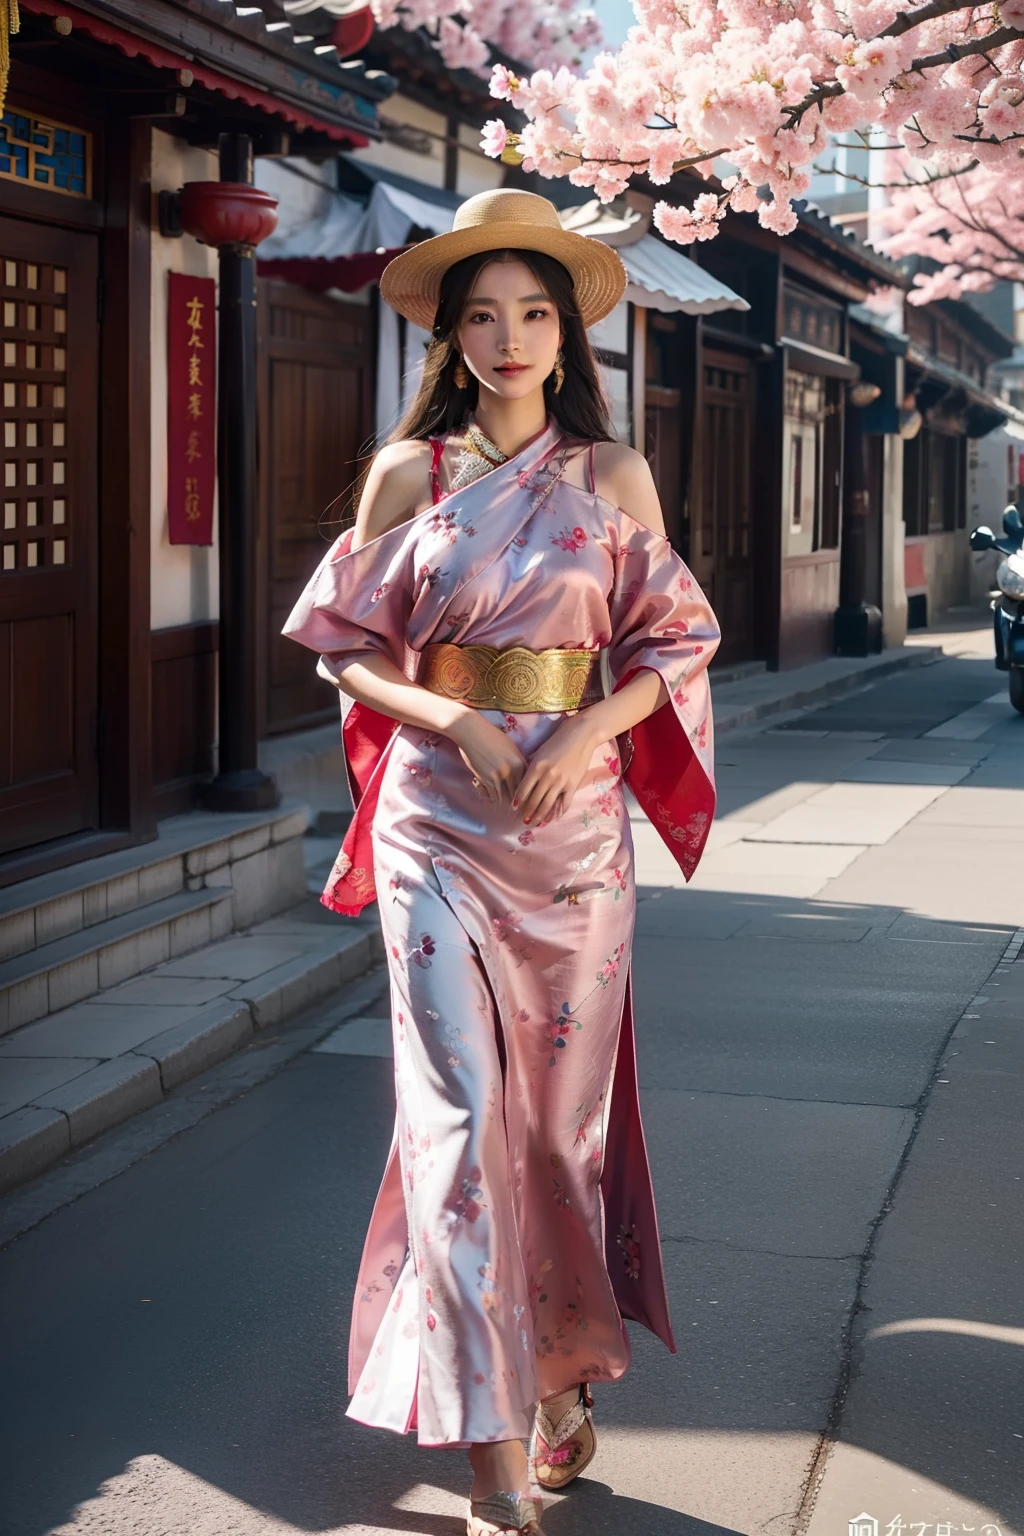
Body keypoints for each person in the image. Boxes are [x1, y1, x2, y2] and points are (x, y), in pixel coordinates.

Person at [282, 188, 720, 1536]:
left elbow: (674, 646)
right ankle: (489, 1455)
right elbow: (348, 646)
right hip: (439, 819)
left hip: (575, 833)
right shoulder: (407, 476)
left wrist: (583, 723)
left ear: (568, 329)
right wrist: (458, 718)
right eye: (483, 314)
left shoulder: (613, 477)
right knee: (459, 1121)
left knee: (549, 1131)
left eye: (535, 311)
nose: (510, 335)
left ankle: (562, 1367)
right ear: (452, 338)